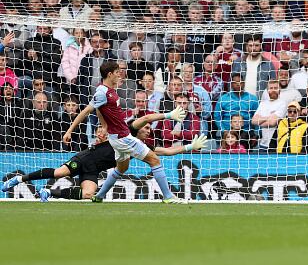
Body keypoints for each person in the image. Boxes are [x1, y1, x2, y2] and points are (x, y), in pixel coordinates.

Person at [62, 61, 196, 204]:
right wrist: (69, 131)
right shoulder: (102, 92)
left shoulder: (110, 91)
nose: (120, 75)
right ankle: (168, 196)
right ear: (110, 74)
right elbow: (86, 111)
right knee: (154, 160)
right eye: (117, 72)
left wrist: (105, 126)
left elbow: (100, 110)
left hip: (117, 137)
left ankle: (99, 196)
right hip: (122, 138)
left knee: (122, 168)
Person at [2, 109, 207, 201]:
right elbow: (145, 118)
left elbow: (167, 152)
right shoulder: (128, 131)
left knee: (88, 194)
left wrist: (190, 146)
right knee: (58, 173)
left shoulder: (137, 148)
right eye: (147, 129)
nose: (147, 130)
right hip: (86, 158)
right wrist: (169, 115)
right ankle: (19, 179)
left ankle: (49, 194)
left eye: (150, 131)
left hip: (95, 169)